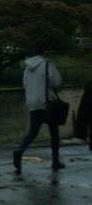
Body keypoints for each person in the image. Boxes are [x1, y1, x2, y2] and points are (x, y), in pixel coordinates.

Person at [14, 41, 64, 173]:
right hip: (47, 104)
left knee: (33, 132)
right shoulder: (47, 65)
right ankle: (55, 160)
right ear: (45, 51)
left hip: (33, 103)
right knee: (54, 132)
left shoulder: (27, 68)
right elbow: (56, 83)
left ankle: (20, 151)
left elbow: (25, 84)